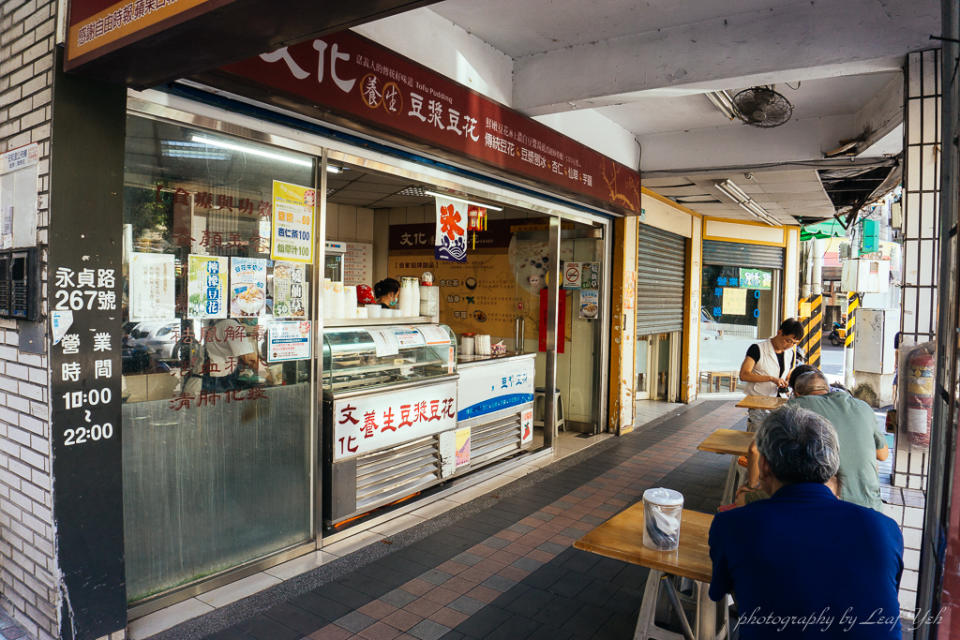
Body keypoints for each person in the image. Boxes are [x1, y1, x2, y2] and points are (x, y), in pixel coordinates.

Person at [709, 406, 903, 639]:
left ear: (765, 466)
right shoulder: (885, 530)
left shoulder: (732, 526)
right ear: (831, 465)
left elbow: (719, 590)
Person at [787, 370, 889, 511]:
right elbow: (883, 455)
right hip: (870, 505)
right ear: (827, 390)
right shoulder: (863, 407)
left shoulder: (796, 407)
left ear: (797, 394)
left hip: (825, 508)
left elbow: (756, 450)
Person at [739, 318, 804, 431]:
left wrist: (787, 382)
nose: (790, 345)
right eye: (788, 341)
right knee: (758, 437)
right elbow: (744, 375)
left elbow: (787, 374)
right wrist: (770, 379)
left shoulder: (790, 353)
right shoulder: (758, 349)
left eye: (794, 343)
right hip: (758, 401)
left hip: (779, 403)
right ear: (780, 332)